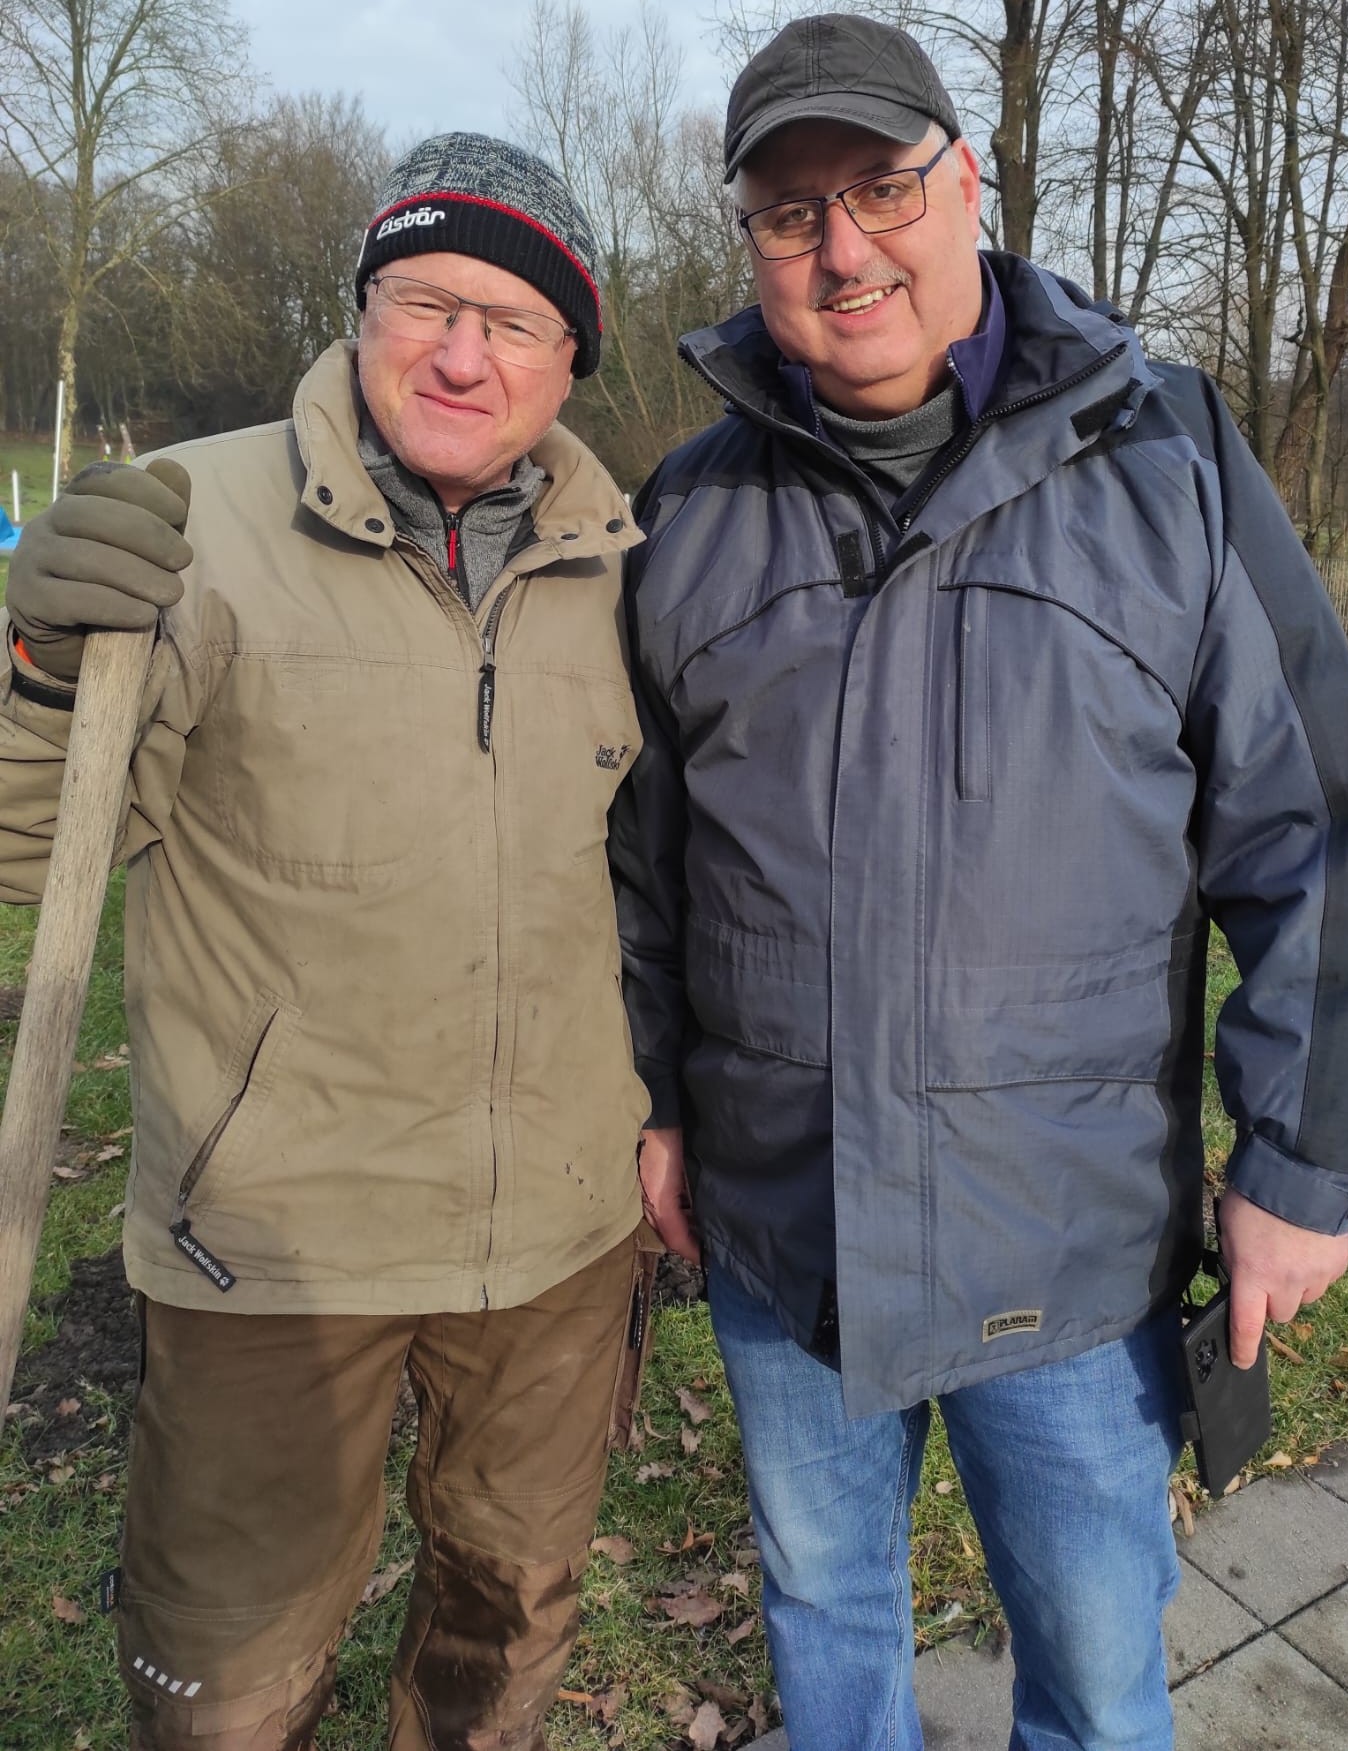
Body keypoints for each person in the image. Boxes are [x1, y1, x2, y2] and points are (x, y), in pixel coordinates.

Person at [611, 15, 1348, 1751]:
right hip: (783, 1231)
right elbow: (646, 862)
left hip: (1066, 1248)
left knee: (1097, 1685)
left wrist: (1297, 1164)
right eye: (788, 213)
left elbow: (1316, 831)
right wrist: (656, 1097)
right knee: (827, 1632)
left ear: (966, 183)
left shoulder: (1166, 457)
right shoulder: (688, 510)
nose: (842, 250)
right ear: (749, 243)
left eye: (882, 189)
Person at [1, 133, 656, 1751]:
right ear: (358, 311)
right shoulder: (193, 527)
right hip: (273, 1245)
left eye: (511, 322)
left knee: (506, 1618)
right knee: (229, 1670)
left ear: (569, 359)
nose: (460, 355)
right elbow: (24, 850)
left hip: (556, 1239)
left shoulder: (627, 565)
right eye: (422, 301)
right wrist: (37, 667)